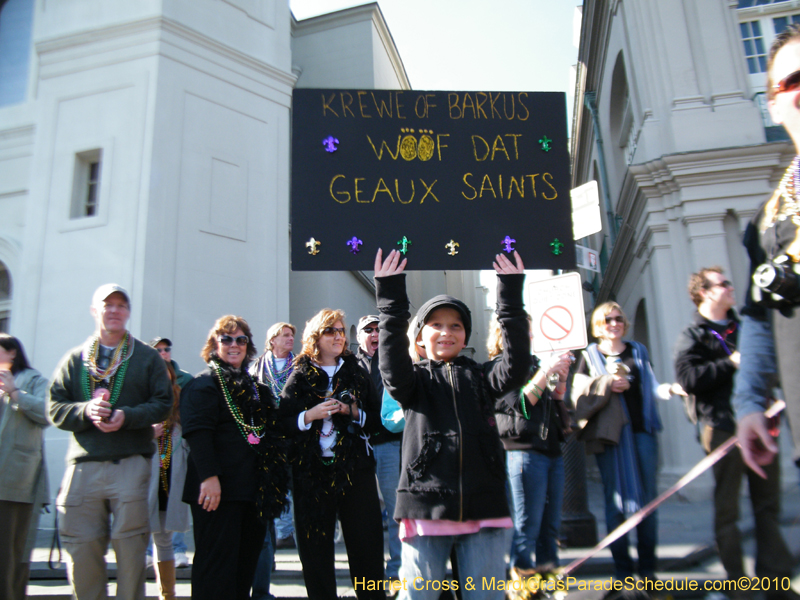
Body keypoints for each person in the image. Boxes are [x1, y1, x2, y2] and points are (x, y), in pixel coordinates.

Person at [375, 248, 531, 600]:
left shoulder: (482, 376)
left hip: (485, 506)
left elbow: (517, 363)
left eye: (456, 326)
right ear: (418, 337)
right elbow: (390, 362)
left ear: (465, 336)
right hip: (426, 506)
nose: (446, 332)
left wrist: (509, 292)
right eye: (436, 325)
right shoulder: (411, 381)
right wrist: (390, 297)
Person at [47, 284, 173, 600]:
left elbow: (163, 402)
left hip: (129, 462)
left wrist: (127, 416)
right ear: (95, 310)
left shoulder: (145, 356)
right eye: (107, 305)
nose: (114, 310)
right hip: (83, 466)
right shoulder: (74, 359)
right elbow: (54, 407)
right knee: (80, 543)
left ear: (128, 312)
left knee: (130, 544)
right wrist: (83, 410)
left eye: (121, 305)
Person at [674, 267, 794, 592]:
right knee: (728, 511)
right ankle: (738, 586)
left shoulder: (742, 326)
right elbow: (687, 379)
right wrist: (731, 363)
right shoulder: (694, 334)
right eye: (722, 283)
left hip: (759, 423)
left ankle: (777, 583)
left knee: (767, 505)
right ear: (705, 292)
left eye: (729, 281)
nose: (730, 287)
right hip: (722, 427)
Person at [733, 23, 800, 485]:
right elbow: (759, 317)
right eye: (793, 81)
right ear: (774, 104)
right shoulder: (764, 223)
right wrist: (750, 403)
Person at [279, 309, 385, 600]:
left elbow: (377, 420)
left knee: (366, 547)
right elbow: (283, 423)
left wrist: (352, 412)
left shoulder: (357, 373)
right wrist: (309, 416)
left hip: (355, 471)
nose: (339, 336)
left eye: (341, 331)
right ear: (316, 337)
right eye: (331, 331)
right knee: (315, 551)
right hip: (312, 474)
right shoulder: (299, 375)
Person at [180, 315, 288, 600]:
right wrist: (209, 477)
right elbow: (197, 434)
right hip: (217, 493)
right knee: (215, 571)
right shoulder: (203, 384)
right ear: (214, 345)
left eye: (241, 339)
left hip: (252, 493)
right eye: (226, 339)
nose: (234, 345)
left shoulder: (256, 388)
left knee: (243, 571)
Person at [572, 302, 679, 583]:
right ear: (598, 325)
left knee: (647, 501)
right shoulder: (589, 356)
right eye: (608, 319)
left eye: (618, 318)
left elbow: (652, 386)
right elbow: (579, 395)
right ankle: (622, 572)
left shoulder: (637, 351)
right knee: (615, 502)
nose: (614, 323)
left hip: (642, 433)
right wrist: (607, 383)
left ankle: (647, 570)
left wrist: (669, 389)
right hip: (610, 437)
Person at [490, 316, 572, 573]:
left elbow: (556, 398)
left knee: (551, 526)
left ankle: (549, 581)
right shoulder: (498, 369)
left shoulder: (536, 364)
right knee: (527, 526)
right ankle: (523, 585)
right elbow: (523, 405)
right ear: (502, 336)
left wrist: (561, 376)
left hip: (551, 449)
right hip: (522, 452)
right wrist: (546, 371)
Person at [249, 321, 297, 600]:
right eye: (285, 335)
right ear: (272, 341)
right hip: (266, 444)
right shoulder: (256, 367)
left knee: (292, 495)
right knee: (266, 503)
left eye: (292, 335)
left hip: (292, 440)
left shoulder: (300, 366)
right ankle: (268, 563)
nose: (291, 339)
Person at [0, 334, 49, 600]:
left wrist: (16, 394)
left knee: (11, 555)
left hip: (16, 481)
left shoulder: (33, 380)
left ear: (12, 353)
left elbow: (48, 414)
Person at [355, 314, 403, 585]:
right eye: (369, 330)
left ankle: (396, 569)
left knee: (397, 511)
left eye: (379, 329)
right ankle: (370, 574)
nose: (375, 334)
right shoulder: (349, 364)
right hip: (358, 448)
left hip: (389, 445)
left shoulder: (395, 360)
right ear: (359, 336)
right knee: (365, 516)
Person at [148, 336, 193, 570]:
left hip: (173, 460)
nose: (163, 352)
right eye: (158, 350)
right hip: (149, 466)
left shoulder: (185, 382)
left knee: (169, 520)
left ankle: (178, 551)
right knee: (147, 516)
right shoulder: (141, 390)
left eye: (166, 349)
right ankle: (146, 553)